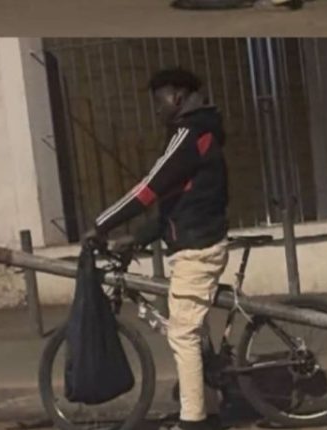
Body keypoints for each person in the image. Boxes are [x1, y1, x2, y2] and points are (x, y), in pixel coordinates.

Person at [83, 67, 229, 430]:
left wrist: (102, 223)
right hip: (197, 240)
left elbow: (149, 189)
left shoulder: (187, 134)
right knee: (195, 330)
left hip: (197, 247)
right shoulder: (199, 131)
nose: (156, 109)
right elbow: (175, 201)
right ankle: (210, 409)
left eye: (159, 100)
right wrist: (139, 237)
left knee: (182, 334)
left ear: (177, 96)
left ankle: (193, 422)